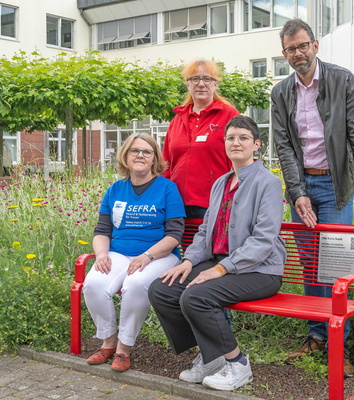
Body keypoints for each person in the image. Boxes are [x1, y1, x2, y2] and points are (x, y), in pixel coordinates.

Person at [148, 115, 286, 391]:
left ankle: (237, 363)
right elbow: (205, 232)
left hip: (259, 270)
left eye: (244, 138)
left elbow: (263, 240)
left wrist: (220, 269)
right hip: (221, 263)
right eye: (231, 138)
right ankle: (212, 358)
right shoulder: (221, 183)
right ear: (224, 143)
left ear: (256, 145)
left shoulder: (267, 183)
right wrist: (188, 261)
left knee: (197, 296)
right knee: (162, 289)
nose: (237, 143)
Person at [271, 19, 354, 377]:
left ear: (315, 45)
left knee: (335, 267)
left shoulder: (342, 80)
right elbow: (284, 146)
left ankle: (340, 346)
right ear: (284, 54)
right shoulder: (280, 92)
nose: (297, 53)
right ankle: (317, 335)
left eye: (302, 46)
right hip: (303, 188)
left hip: (335, 186)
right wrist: (297, 193)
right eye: (290, 49)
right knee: (310, 264)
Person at [83, 133, 185, 372]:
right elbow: (102, 230)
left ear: (154, 159)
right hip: (118, 253)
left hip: (159, 256)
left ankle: (123, 349)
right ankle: (107, 342)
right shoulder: (115, 190)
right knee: (94, 283)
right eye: (134, 151)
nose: (140, 155)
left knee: (136, 284)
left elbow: (174, 235)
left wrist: (148, 256)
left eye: (147, 151)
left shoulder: (167, 188)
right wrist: (101, 255)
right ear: (125, 156)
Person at [162, 58, 240, 219]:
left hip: (214, 204)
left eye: (207, 79)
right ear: (187, 84)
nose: (201, 84)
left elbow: (240, 161)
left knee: (212, 245)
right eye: (195, 78)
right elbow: (166, 165)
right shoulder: (176, 121)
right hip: (178, 206)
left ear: (215, 84)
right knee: (184, 245)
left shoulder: (229, 116)